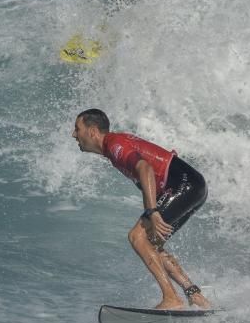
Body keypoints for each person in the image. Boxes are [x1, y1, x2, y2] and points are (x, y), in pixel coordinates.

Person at [72, 109, 211, 310]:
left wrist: (151, 211)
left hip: (185, 185)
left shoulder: (114, 145)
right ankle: (195, 295)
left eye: (78, 129)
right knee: (151, 244)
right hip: (193, 186)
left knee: (138, 237)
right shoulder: (115, 146)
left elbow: (144, 168)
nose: (74, 134)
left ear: (92, 131)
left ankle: (171, 298)